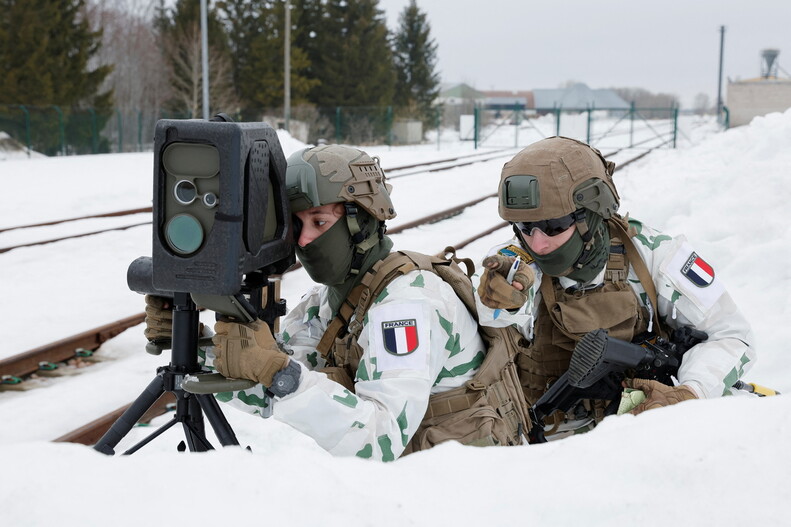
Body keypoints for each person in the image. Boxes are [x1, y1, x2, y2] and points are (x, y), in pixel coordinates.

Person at [146, 144, 524, 460]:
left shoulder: (406, 307)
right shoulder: (330, 298)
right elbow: (274, 391)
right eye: (295, 226)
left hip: (460, 489)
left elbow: (379, 440)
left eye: (319, 222)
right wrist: (200, 346)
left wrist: (280, 374)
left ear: (363, 220)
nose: (305, 240)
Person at [474, 136, 754, 437]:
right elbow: (496, 314)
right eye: (526, 227)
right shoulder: (515, 262)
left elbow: (731, 335)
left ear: (593, 211)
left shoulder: (655, 255)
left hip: (643, 423)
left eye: (555, 226)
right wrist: (504, 300)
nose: (538, 243)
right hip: (547, 435)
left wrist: (689, 393)